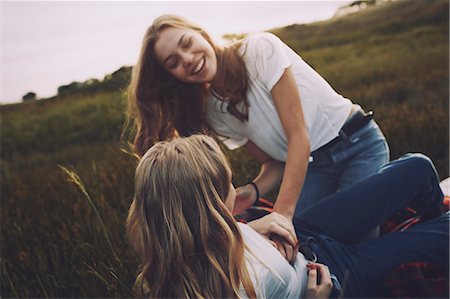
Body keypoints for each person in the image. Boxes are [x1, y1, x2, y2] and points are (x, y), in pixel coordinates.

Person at [126, 14, 390, 254]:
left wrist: (282, 214)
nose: (188, 59)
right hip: (315, 167)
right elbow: (274, 162)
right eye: (174, 63)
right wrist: (252, 191)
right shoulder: (214, 112)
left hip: (358, 144)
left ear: (202, 33)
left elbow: (299, 137)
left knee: (354, 237)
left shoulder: (259, 50)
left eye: (186, 43)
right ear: (172, 76)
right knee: (308, 244)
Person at [126, 134, 448, 299]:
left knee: (417, 168)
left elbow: (219, 242)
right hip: (330, 272)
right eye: (228, 184)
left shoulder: (195, 237)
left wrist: (252, 227)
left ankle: (424, 219)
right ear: (207, 206)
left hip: (305, 232)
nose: (234, 191)